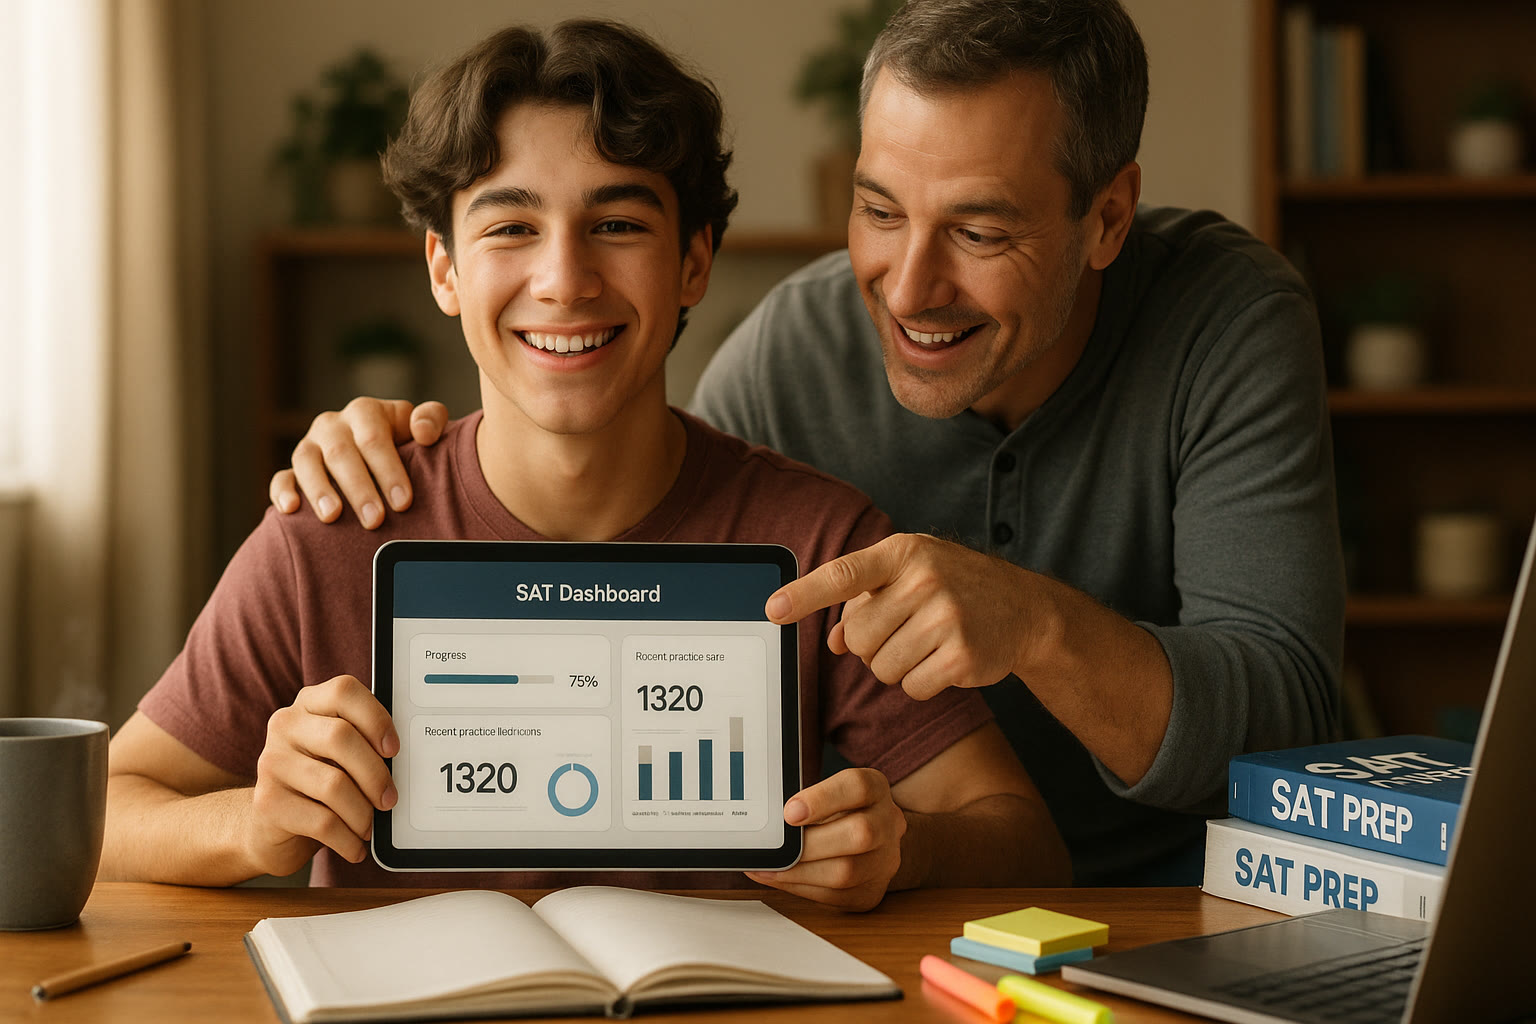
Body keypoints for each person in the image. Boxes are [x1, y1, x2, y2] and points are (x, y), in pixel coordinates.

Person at [268, 0, 1345, 885]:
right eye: (879, 211)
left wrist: (1036, 627)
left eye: (978, 231)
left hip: (1199, 895)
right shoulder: (789, 353)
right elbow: (639, 547)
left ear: (1107, 218)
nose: (909, 288)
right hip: (909, 917)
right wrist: (421, 446)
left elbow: (1285, 724)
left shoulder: (1226, 318)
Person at [104, 18, 1070, 910]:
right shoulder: (334, 523)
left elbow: (1024, 842)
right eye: (510, 226)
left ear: (693, 264)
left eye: (616, 224)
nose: (564, 280)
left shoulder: (821, 544)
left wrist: (909, 850)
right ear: (444, 268)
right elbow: (109, 806)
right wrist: (257, 826)